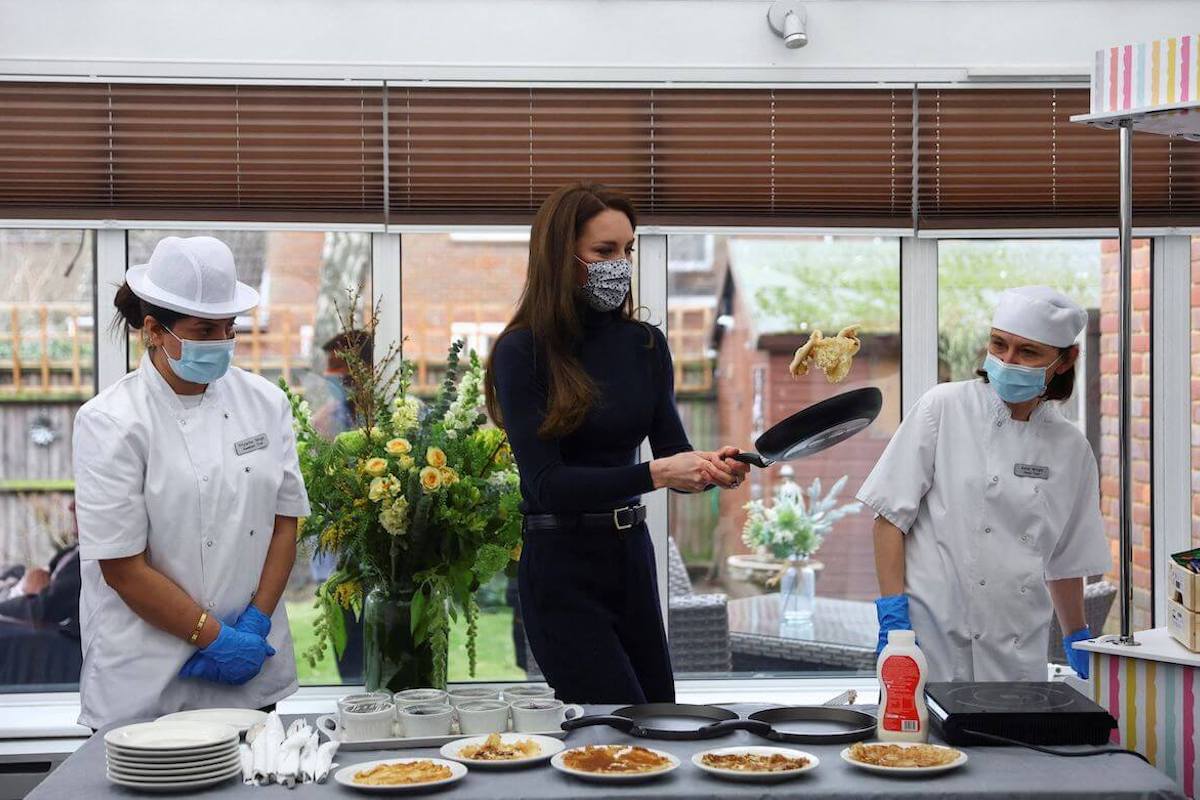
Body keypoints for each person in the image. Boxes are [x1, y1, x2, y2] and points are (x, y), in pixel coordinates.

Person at [484, 182, 751, 704]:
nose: (620, 264)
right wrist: (654, 474)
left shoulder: (646, 345)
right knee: (615, 739)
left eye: (627, 250)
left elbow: (673, 450)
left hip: (630, 560)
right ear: (561, 255)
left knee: (660, 724)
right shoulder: (522, 353)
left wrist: (710, 468)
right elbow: (548, 485)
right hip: (561, 567)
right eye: (604, 251)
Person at [72, 236, 310, 729]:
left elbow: (285, 523)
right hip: (146, 681)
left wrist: (254, 623)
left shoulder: (265, 403)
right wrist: (214, 637)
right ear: (156, 330)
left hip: (250, 674)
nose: (222, 340)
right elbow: (122, 567)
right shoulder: (110, 421)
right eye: (205, 329)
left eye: (229, 327)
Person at [859, 286, 1111, 683]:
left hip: (1016, 651)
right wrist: (893, 616)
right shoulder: (943, 408)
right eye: (999, 345)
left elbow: (1067, 561)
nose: (1008, 361)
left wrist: (1076, 636)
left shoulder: (1072, 449)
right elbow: (889, 517)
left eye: (1028, 352)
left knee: (1009, 743)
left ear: (1065, 361)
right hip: (929, 640)